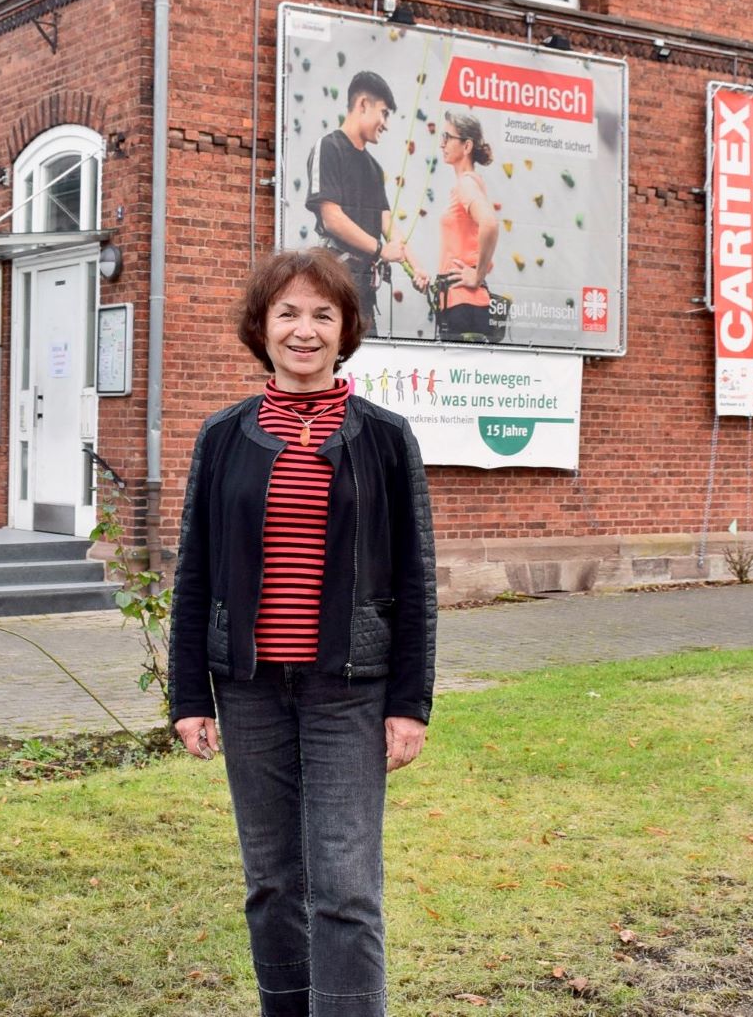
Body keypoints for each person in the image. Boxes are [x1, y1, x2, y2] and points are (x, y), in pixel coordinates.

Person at [169, 249, 437, 1017]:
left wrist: (409, 703)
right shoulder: (224, 437)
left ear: (346, 328)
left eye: (323, 314)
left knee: (346, 887)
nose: (305, 329)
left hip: (349, 691)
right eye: (288, 312)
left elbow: (415, 577)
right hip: (249, 690)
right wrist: (191, 695)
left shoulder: (384, 439)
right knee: (273, 880)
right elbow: (196, 572)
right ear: (262, 326)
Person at [305, 71, 425, 335]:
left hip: (365, 293)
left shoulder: (373, 168)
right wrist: (381, 251)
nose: (386, 123)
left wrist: (416, 268)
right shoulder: (329, 147)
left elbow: (387, 223)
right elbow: (331, 219)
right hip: (333, 286)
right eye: (383, 113)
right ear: (362, 105)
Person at [434, 111, 500, 341]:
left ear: (467, 146)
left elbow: (490, 223)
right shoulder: (469, 183)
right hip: (460, 302)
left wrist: (478, 275)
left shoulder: (466, 183)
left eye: (447, 137)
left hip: (463, 304)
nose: (442, 143)